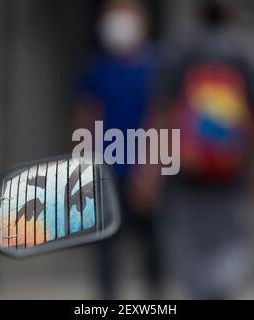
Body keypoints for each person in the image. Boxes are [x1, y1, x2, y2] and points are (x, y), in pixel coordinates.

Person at [153, 1, 254, 299]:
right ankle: (220, 290)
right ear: (231, 14)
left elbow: (162, 113)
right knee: (227, 239)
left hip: (187, 169)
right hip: (231, 170)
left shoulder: (179, 52)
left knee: (190, 244)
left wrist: (153, 168)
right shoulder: (247, 56)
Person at [73, 0, 161, 299]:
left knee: (153, 249)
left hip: (146, 170)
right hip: (105, 171)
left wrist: (151, 172)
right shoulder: (97, 67)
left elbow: (162, 118)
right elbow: (86, 115)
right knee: (106, 248)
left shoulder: (156, 66)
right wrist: (82, 170)